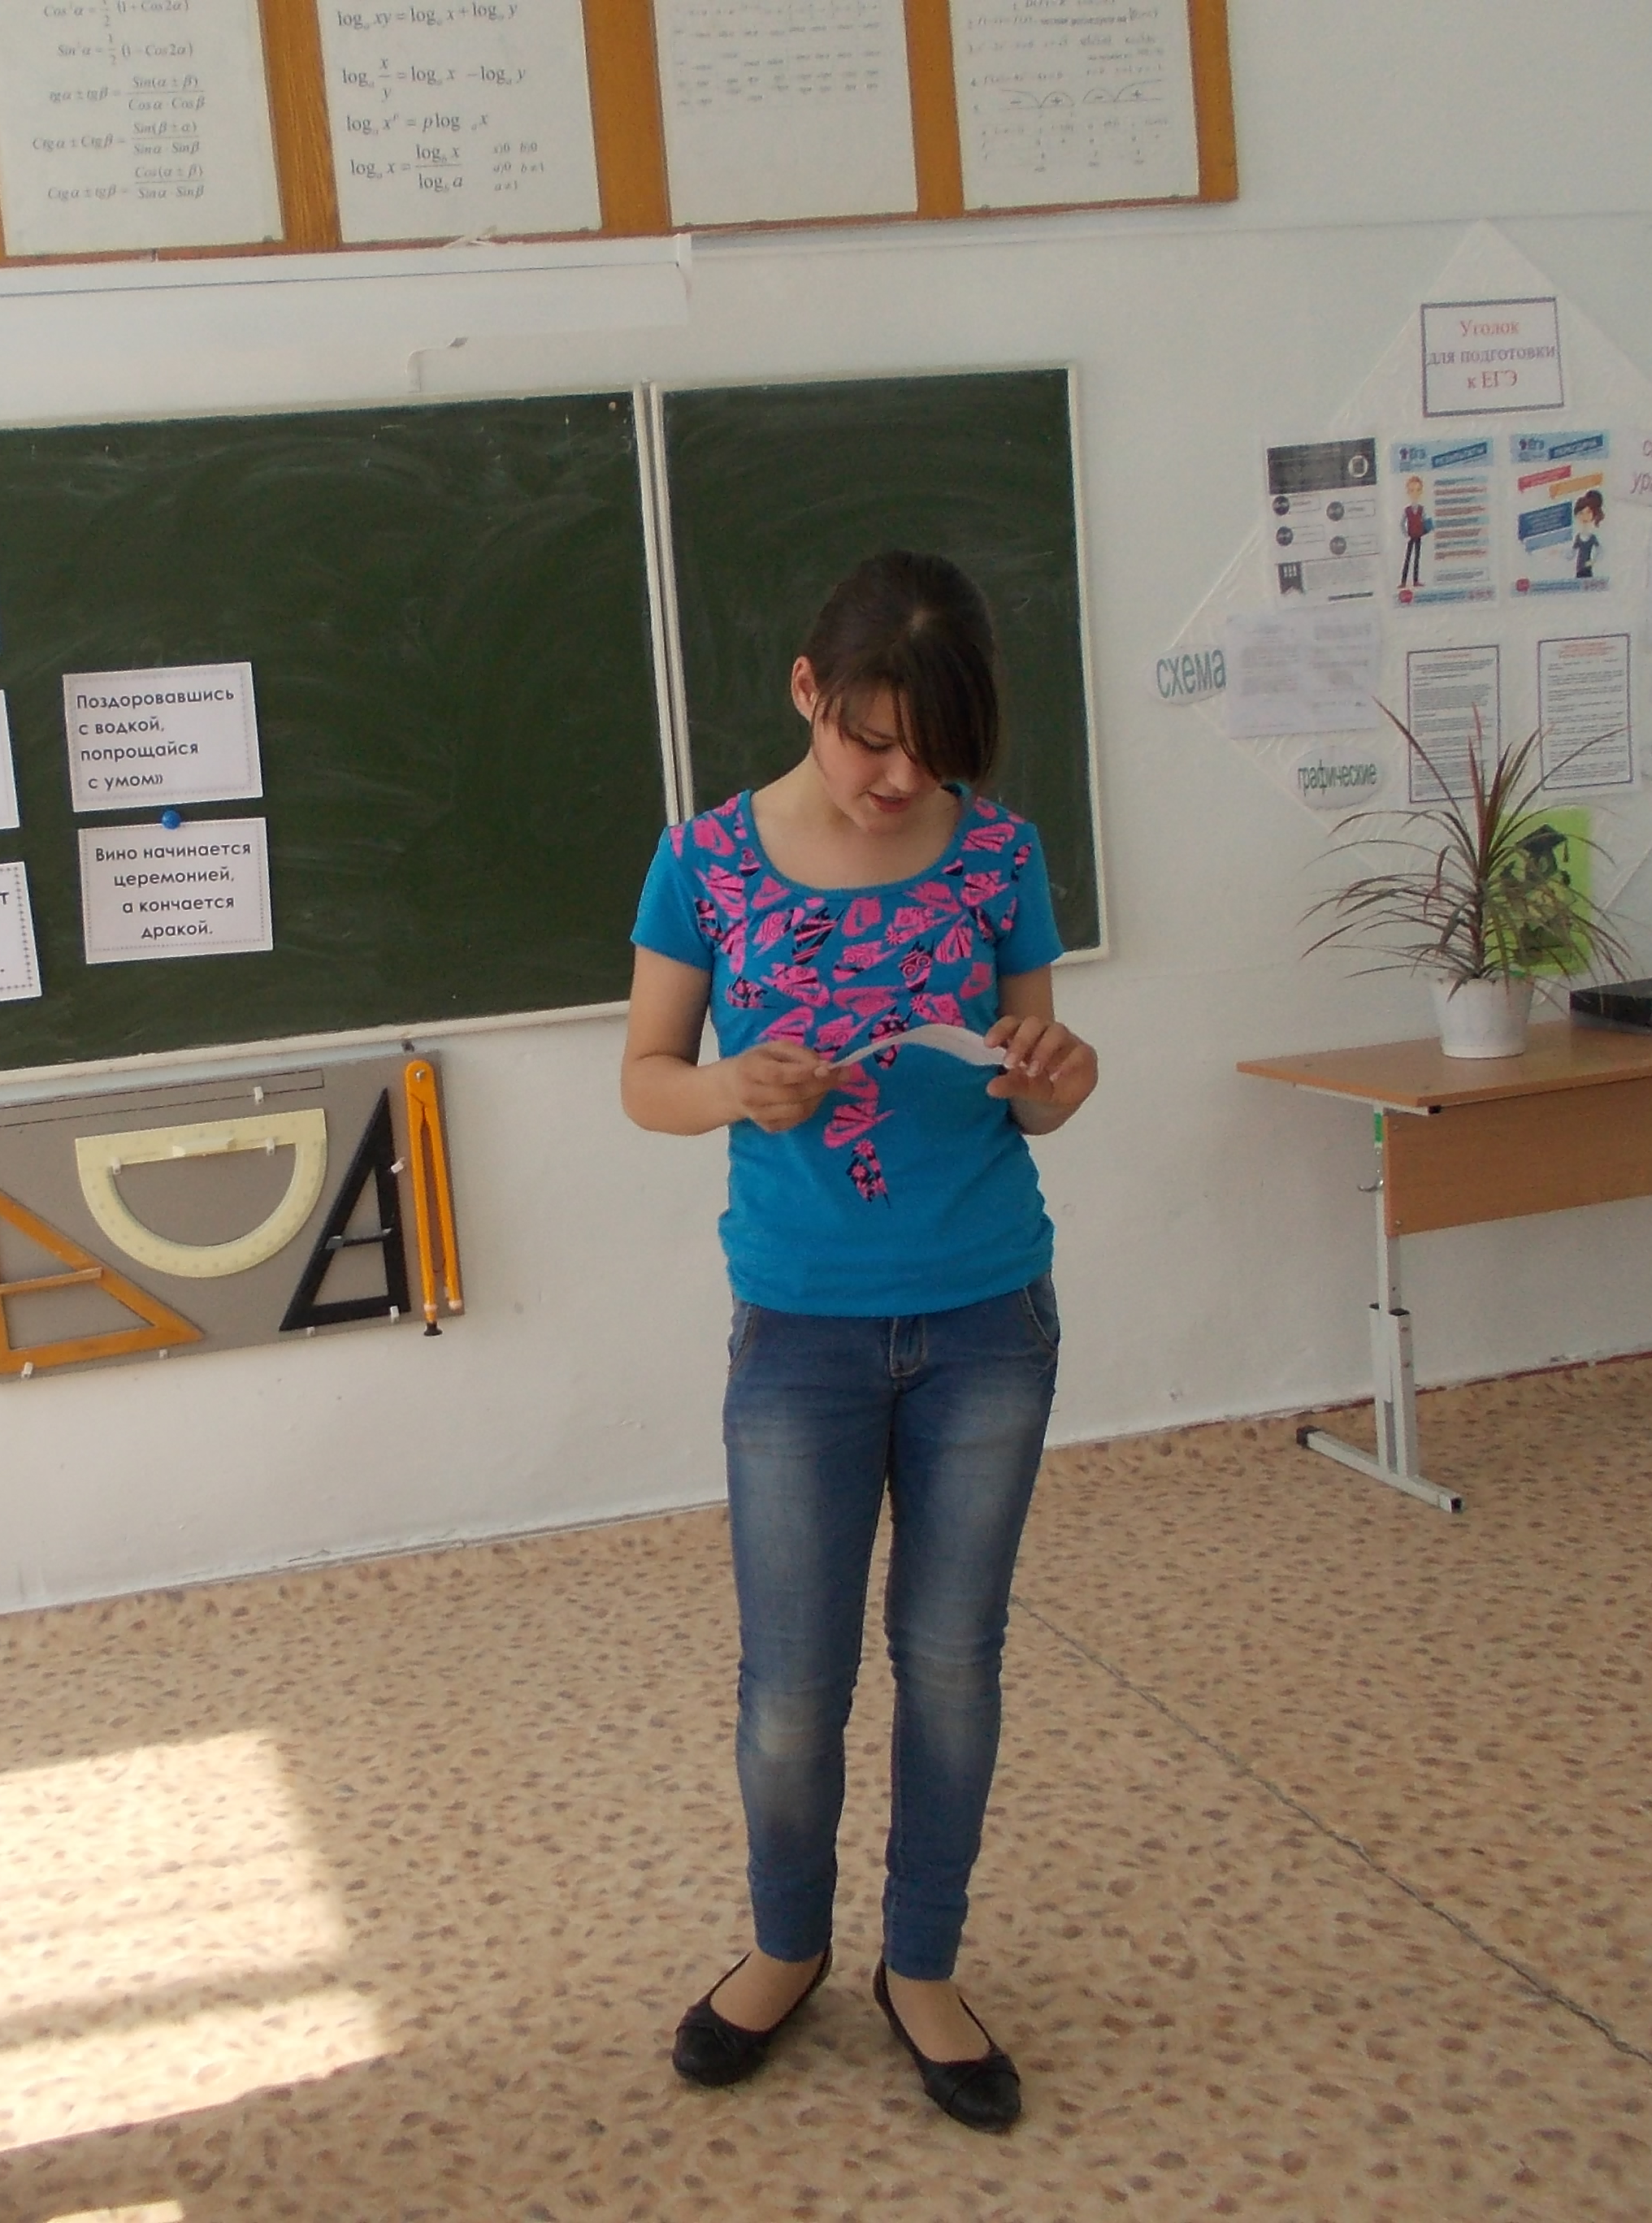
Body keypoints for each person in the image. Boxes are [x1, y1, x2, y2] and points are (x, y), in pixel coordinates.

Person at [621, 552, 1098, 2132]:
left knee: (952, 1664)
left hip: (988, 1314)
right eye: (871, 742)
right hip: (799, 1330)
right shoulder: (703, 861)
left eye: (933, 754)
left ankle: (924, 1965)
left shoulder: (1001, 854)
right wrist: (729, 1087)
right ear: (806, 693)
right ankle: (786, 1948)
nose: (900, 784)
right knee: (791, 1684)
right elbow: (645, 1075)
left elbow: (1033, 1084)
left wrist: (1059, 1075)